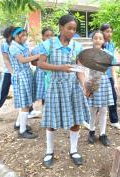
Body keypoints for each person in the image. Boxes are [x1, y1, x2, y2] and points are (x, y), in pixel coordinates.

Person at [38, 14, 90, 167]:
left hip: (73, 87)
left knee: (75, 120)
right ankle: (49, 151)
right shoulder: (49, 44)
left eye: (74, 29)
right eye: (69, 28)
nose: (72, 32)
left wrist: (84, 84)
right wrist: (61, 68)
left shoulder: (77, 46)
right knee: (52, 121)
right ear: (61, 27)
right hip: (55, 87)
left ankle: (73, 150)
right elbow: (41, 64)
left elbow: (79, 68)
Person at [9, 27, 39, 139]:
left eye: (26, 35)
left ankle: (18, 124)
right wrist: (37, 56)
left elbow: (29, 54)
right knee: (25, 104)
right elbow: (22, 60)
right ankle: (22, 131)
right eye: (22, 35)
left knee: (26, 102)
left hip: (27, 74)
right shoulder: (13, 47)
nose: (24, 37)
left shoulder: (23, 45)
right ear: (15, 36)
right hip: (21, 76)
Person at [86, 31, 115, 146]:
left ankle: (103, 134)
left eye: (100, 38)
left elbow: (111, 68)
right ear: (92, 40)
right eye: (95, 38)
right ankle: (91, 131)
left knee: (103, 109)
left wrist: (116, 83)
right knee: (92, 109)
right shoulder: (88, 54)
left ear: (103, 41)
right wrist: (86, 85)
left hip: (103, 81)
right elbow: (85, 69)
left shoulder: (107, 54)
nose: (97, 40)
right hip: (92, 81)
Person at [100, 23, 120, 130]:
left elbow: (112, 64)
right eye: (107, 31)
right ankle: (89, 121)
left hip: (109, 76)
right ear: (102, 32)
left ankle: (114, 121)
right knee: (96, 100)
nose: (109, 33)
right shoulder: (98, 43)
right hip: (99, 76)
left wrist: (115, 81)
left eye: (110, 31)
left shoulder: (111, 44)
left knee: (113, 98)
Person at [31, 27, 54, 106]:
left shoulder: (56, 48)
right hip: (41, 74)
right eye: (47, 36)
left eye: (51, 35)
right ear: (42, 37)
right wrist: (43, 64)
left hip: (52, 73)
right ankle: (45, 113)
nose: (49, 38)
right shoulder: (38, 48)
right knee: (44, 96)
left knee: (52, 95)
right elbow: (33, 62)